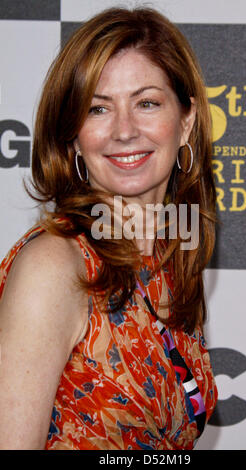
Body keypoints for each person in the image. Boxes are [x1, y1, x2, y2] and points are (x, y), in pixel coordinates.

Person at [0, 7, 217, 450]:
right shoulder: (53, 267)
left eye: (147, 103)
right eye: (98, 109)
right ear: (73, 136)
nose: (124, 131)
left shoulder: (172, 253)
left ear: (186, 122)